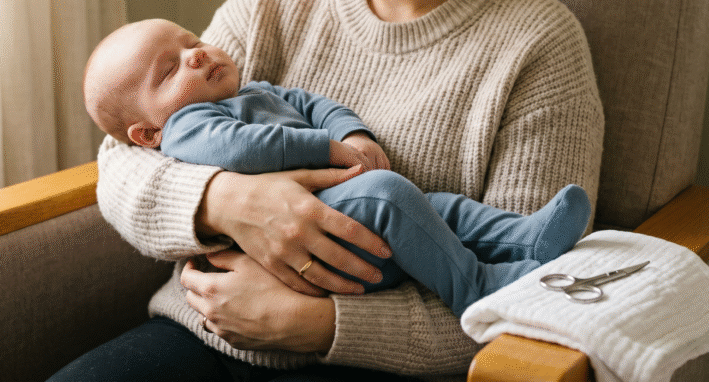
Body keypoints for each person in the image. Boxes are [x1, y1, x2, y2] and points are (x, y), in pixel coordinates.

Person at [49, 0, 604, 380]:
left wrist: (318, 323)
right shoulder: (271, 3)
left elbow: (540, 292)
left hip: (373, 362)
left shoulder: (536, 46)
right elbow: (123, 156)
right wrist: (226, 201)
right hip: (199, 329)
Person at [82, 17, 591, 317]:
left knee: (439, 207)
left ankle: (524, 240)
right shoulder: (186, 126)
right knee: (390, 195)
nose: (194, 56)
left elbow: (316, 104)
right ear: (147, 135)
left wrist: (352, 135)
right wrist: (324, 150)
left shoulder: (256, 90)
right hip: (319, 251)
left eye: (192, 41)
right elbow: (242, 150)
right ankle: (477, 287)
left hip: (349, 246)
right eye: (169, 70)